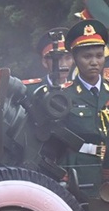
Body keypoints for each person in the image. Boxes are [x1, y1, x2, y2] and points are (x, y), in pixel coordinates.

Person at [28, 18, 109, 190]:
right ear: (75, 59)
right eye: (87, 56)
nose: (94, 62)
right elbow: (51, 142)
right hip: (79, 175)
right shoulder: (63, 96)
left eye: (99, 56)